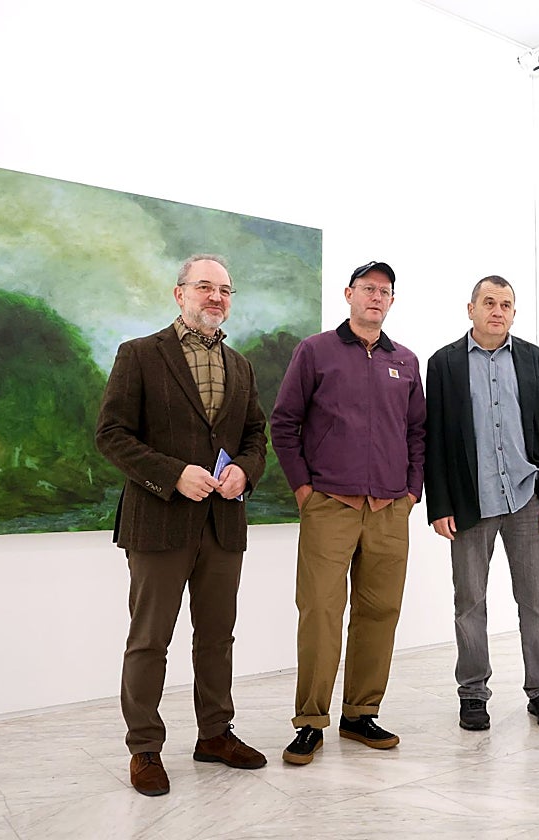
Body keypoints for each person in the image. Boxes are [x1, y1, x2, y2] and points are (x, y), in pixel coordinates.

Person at [95, 254, 269, 797]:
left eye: (225, 289)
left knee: (217, 639)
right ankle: (144, 747)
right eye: (204, 287)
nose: (216, 297)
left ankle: (215, 734)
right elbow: (113, 435)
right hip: (158, 522)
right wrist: (173, 475)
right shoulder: (140, 355)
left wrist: (244, 470)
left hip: (223, 524)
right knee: (150, 640)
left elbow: (255, 437)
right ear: (179, 294)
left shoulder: (240, 366)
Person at [270, 260, 426, 766]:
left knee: (380, 612)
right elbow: (285, 422)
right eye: (367, 289)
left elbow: (417, 432)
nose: (375, 297)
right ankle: (310, 722)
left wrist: (410, 490)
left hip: (388, 508)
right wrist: (303, 490)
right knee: (320, 612)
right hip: (329, 506)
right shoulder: (315, 351)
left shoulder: (405, 359)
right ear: (349, 294)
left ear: (391, 301)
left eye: (384, 291)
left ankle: (360, 713)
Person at [424, 276, 539, 731]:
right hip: (470, 501)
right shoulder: (443, 363)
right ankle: (472, 693)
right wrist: (439, 504)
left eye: (506, 304)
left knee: (535, 600)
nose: (498, 311)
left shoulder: (534, 360)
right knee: (469, 602)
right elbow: (436, 441)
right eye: (489, 302)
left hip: (527, 497)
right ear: (470, 309)